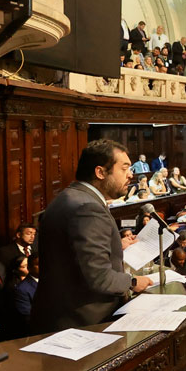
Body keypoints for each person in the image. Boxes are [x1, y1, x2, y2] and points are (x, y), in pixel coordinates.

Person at [31, 141, 152, 333]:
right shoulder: (87, 208)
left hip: (64, 317)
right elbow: (99, 277)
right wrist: (133, 282)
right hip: (82, 324)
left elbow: (74, 256)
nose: (131, 175)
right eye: (124, 168)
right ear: (100, 172)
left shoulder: (72, 196)